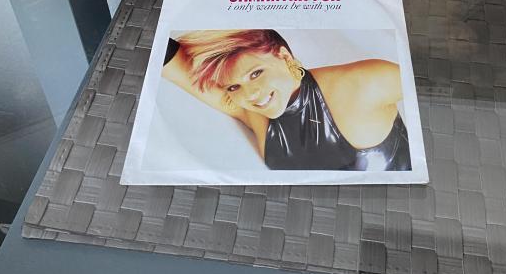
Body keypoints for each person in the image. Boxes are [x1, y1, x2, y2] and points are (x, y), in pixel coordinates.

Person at [162, 29, 411, 172]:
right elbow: (168, 59)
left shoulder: (363, 84)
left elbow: (431, 88)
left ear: (284, 56)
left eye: (256, 73)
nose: (251, 95)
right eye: (234, 86)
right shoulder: (247, 108)